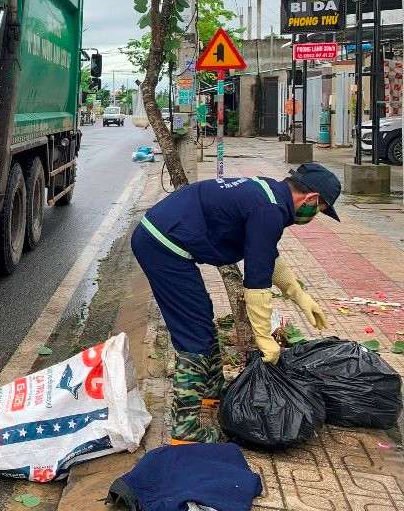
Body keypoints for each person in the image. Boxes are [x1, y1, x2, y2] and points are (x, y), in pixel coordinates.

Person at [131, 163, 339, 443]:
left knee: (202, 317)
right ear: (311, 198)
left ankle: (211, 391)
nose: (316, 215)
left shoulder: (269, 193)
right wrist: (264, 337)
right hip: (163, 246)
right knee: (192, 333)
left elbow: (265, 255)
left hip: (164, 237)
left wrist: (300, 296)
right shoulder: (269, 209)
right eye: (321, 209)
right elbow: (256, 284)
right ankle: (186, 430)